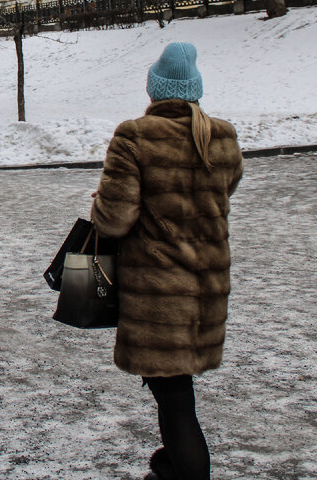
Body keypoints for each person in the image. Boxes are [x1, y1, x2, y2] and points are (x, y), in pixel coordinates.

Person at [90, 42, 243, 480]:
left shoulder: (135, 136)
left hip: (159, 299)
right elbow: (222, 192)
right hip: (205, 294)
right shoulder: (223, 137)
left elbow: (114, 221)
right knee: (177, 397)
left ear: (155, 91)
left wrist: (103, 203)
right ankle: (169, 466)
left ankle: (179, 469)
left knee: (176, 404)